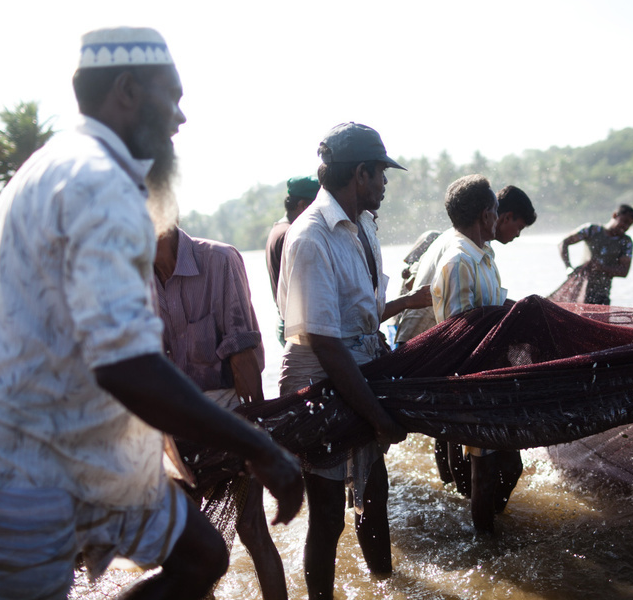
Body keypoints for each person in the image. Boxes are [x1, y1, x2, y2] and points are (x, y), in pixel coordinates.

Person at [0, 27, 303, 600]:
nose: (180, 118)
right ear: (126, 90)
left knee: (202, 556)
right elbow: (126, 366)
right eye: (172, 96)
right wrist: (261, 449)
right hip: (20, 474)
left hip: (89, 459)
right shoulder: (99, 183)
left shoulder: (44, 171)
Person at [276, 122, 428, 599]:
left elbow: (363, 315)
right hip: (321, 386)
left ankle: (385, 585)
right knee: (326, 516)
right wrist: (378, 415)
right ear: (360, 174)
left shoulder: (362, 227)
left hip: (358, 370)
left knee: (374, 494)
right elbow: (325, 342)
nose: (385, 183)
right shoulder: (311, 238)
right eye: (381, 173)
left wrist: (408, 304)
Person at [154, 224, 287, 599]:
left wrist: (259, 440)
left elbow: (244, 357)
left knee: (251, 529)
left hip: (229, 416)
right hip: (177, 426)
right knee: (185, 543)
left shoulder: (218, 259)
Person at [424, 175, 520, 534]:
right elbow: (456, 334)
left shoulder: (485, 255)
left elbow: (488, 310)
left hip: (494, 379)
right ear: (484, 215)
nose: (498, 217)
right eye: (496, 211)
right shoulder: (459, 261)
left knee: (510, 468)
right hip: (474, 382)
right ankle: (486, 545)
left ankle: (494, 530)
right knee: (485, 475)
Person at [393, 185, 536, 346]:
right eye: (519, 228)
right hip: (420, 344)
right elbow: (461, 325)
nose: (517, 234)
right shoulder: (461, 253)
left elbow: (483, 302)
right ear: (506, 217)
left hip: (431, 342)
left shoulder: (478, 246)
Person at [266, 175, 320, 345]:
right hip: (295, 326)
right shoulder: (290, 235)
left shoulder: (280, 229)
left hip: (287, 322)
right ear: (303, 205)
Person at [558, 204, 633, 305]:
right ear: (615, 215)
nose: (625, 227)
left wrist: (601, 267)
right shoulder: (592, 230)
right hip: (579, 290)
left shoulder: (626, 242)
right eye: (624, 221)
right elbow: (563, 242)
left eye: (629, 225)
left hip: (602, 294)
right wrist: (568, 267)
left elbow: (623, 272)